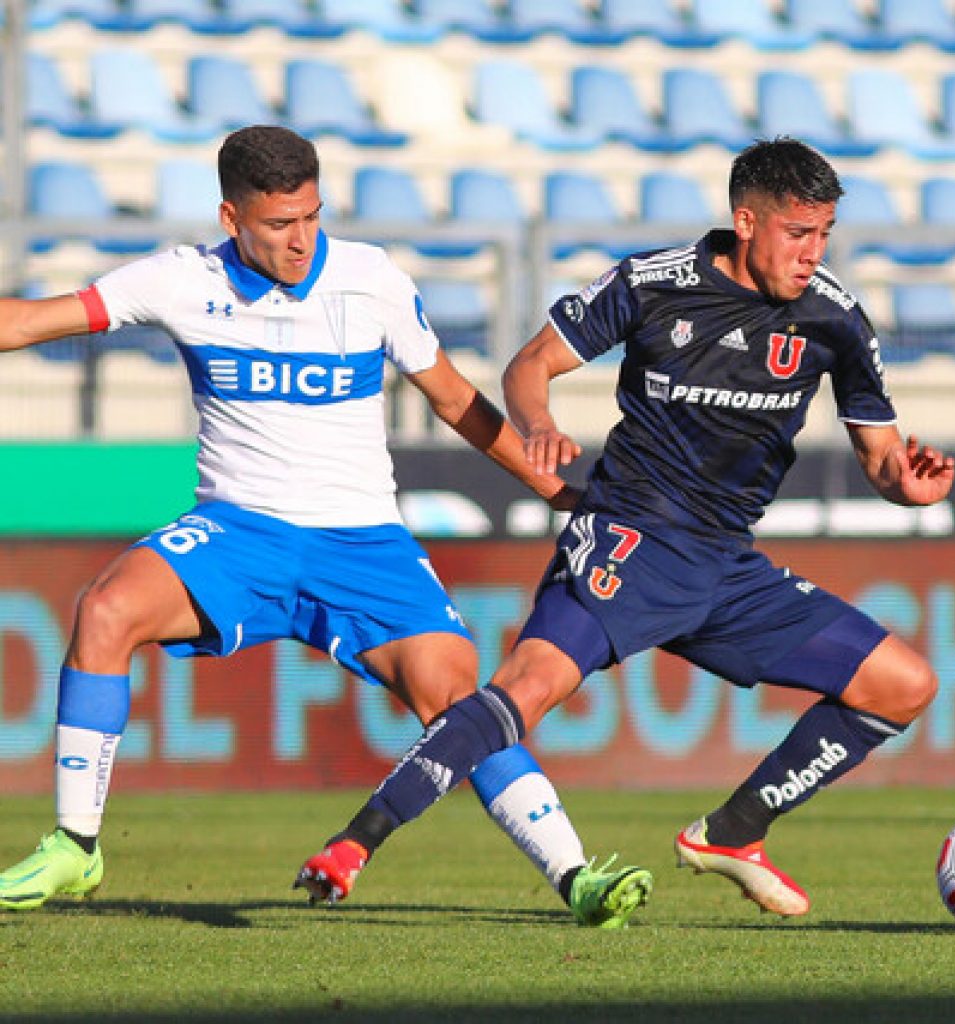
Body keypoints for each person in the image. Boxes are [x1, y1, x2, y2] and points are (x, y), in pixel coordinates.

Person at [0, 125, 652, 929]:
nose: (301, 239)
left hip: (363, 544)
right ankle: (76, 845)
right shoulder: (179, 279)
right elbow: (27, 322)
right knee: (104, 611)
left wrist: (553, 487)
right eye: (279, 224)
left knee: (457, 699)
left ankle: (578, 877)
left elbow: (453, 399)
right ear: (232, 216)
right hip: (239, 534)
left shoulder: (370, 278)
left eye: (311, 216)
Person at [301, 136, 955, 918]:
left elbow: (881, 459)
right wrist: (537, 425)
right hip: (631, 536)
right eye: (798, 232)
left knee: (904, 684)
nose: (814, 252)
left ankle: (735, 831)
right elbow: (529, 365)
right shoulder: (653, 284)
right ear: (747, 222)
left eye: (824, 234)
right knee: (524, 691)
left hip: (726, 566)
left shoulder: (835, 318)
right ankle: (353, 844)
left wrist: (907, 487)